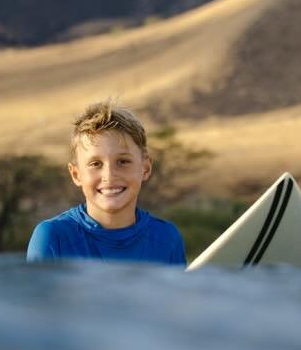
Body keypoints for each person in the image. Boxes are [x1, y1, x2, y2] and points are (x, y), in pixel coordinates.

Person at [26, 100, 186, 265]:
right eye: (96, 164)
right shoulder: (53, 237)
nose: (109, 176)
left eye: (123, 161)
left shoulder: (167, 238)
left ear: (145, 168)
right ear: (76, 174)